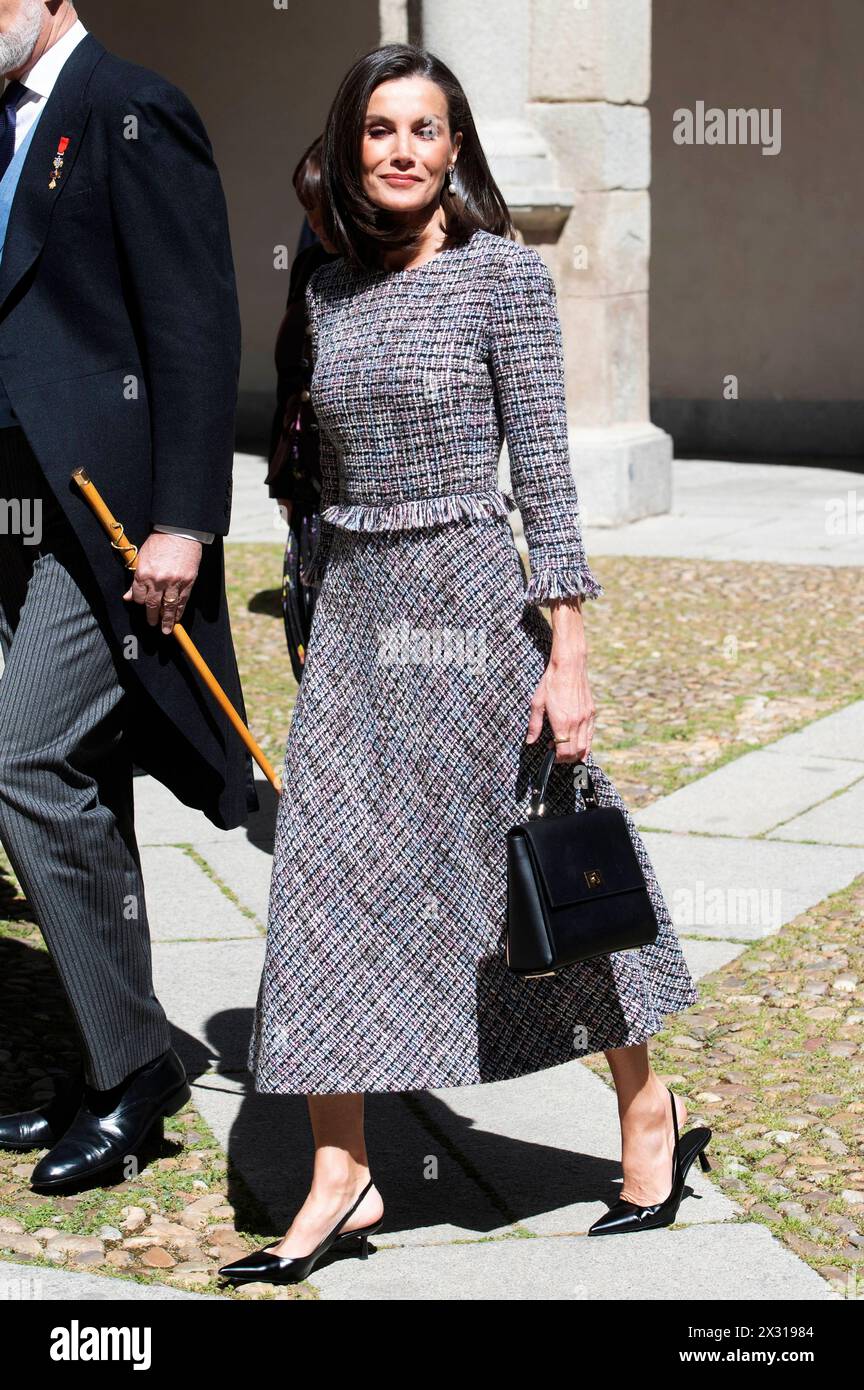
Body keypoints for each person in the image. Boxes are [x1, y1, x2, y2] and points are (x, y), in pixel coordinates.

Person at [224, 43, 706, 1287]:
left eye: (425, 130)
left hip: (476, 607)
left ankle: (642, 1110)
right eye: (379, 128)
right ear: (348, 145)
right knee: (323, 891)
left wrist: (571, 654)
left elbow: (543, 476)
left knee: (539, 877)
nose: (400, 149)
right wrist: (312, 610)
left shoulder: (502, 278)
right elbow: (307, 472)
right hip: (358, 624)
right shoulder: (326, 289)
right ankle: (347, 1171)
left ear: (455, 150)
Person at [0, 1, 256, 1192]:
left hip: (105, 526)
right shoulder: (5, 129)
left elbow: (197, 325)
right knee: (82, 778)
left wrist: (186, 521)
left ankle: (139, 1067)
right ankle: (116, 1054)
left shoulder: (132, 107)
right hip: (14, 516)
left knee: (26, 763)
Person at [266, 136, 340, 681]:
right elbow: (288, 379)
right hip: (307, 483)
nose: (312, 224)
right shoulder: (311, 264)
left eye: (323, 212)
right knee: (311, 655)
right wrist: (285, 484)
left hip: (357, 497)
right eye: (306, 212)